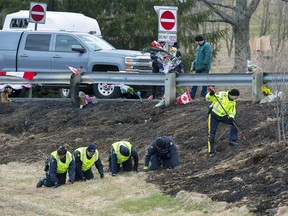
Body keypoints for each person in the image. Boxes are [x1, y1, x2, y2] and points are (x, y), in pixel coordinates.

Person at [206, 88, 240, 157]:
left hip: (223, 116)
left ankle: (232, 140)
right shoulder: (221, 95)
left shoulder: (233, 102)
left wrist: (231, 117)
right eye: (236, 96)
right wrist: (210, 94)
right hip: (214, 115)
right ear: (232, 95)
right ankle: (211, 151)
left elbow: (232, 111)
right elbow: (208, 98)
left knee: (234, 123)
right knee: (211, 134)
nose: (237, 98)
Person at [190, 35, 212, 100]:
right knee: (195, 81)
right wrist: (194, 63)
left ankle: (203, 96)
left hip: (204, 68)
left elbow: (208, 56)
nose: (196, 43)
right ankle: (192, 95)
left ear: (199, 41)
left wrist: (204, 65)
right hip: (197, 67)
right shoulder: (198, 47)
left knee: (204, 82)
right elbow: (197, 57)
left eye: (196, 42)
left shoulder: (207, 46)